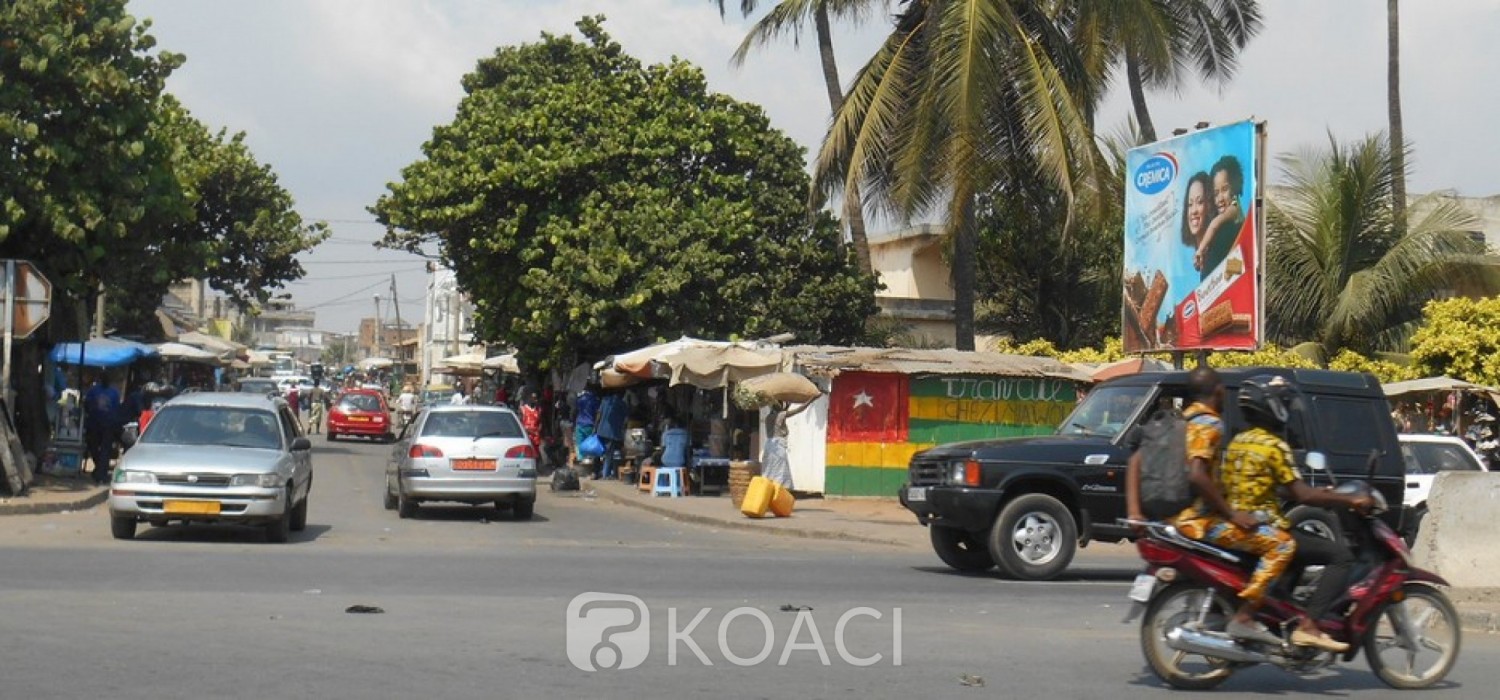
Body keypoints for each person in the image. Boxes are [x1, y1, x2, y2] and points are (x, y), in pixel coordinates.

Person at [1181, 375, 1372, 652]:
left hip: (1240, 519)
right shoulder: (1274, 446)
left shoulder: (1238, 441)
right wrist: (1349, 499)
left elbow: (1264, 485)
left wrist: (1328, 495)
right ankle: (1309, 626)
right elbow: (1303, 495)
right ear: (1273, 408)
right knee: (1340, 555)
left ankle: (1284, 613)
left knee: (1300, 548)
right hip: (1261, 524)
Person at [1126, 367, 1243, 531]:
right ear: (1219, 391)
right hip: (1201, 522)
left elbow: (1134, 461)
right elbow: (1196, 474)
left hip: (1169, 520)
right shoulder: (1210, 424)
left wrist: (1134, 513)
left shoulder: (1177, 422)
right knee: (1282, 545)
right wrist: (1231, 514)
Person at [1195, 155, 1246, 279]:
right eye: (1216, 193)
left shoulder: (1234, 208)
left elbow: (1215, 224)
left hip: (1230, 278)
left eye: (1225, 189)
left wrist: (1200, 249)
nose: (1220, 198)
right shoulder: (1223, 220)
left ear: (1234, 187)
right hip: (1216, 285)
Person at [760, 399, 814, 489]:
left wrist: (788, 404)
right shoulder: (781, 415)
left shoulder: (768, 418)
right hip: (778, 445)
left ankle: (768, 490)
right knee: (780, 470)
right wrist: (810, 400)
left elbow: (782, 412)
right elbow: (798, 410)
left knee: (769, 469)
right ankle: (779, 491)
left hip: (769, 445)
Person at [83, 373, 121, 485]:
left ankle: (101, 473)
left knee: (105, 450)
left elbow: (116, 408)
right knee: (93, 447)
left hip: (107, 425)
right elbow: (87, 404)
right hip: (95, 423)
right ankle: (100, 470)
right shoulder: (94, 390)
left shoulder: (114, 392)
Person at [1178, 171, 1218, 256]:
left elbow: (1239, 266)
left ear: (1210, 205)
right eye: (1190, 204)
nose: (1193, 211)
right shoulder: (1199, 257)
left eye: (1200, 202)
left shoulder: (1224, 242)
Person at [573, 382, 600, 467]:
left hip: (580, 423)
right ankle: (590, 462)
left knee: (580, 443)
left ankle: (581, 461)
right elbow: (597, 412)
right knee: (589, 444)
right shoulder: (595, 399)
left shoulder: (580, 399)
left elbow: (576, 409)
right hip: (590, 424)